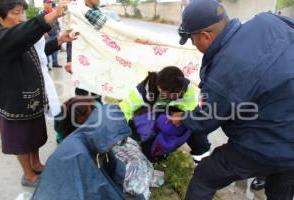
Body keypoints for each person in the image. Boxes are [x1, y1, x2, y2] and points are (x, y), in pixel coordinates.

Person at [170, 0, 294, 199]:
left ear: (205, 36)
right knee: (280, 190)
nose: (194, 45)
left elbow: (205, 120)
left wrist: (181, 118)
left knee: (205, 176)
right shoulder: (267, 20)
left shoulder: (225, 70)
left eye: (192, 40)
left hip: (266, 143)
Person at [0, 0, 75, 187]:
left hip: (32, 96)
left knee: (34, 135)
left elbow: (38, 52)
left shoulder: (15, 32)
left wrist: (59, 40)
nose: (21, 18)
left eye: (23, 13)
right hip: (13, 101)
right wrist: (52, 15)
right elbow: (21, 35)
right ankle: (28, 175)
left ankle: (36, 164)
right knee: (20, 140)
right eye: (16, 13)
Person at [119, 66, 211, 163]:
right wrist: (125, 134)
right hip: (150, 119)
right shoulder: (143, 91)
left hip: (175, 116)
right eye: (167, 95)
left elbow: (191, 108)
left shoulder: (186, 87)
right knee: (148, 143)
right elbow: (123, 110)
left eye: (176, 95)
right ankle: (151, 153)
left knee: (195, 130)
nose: (172, 98)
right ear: (158, 86)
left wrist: (182, 117)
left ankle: (202, 159)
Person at [42, 0, 62, 68]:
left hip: (55, 33)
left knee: (55, 49)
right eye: (47, 3)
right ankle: (47, 65)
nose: (49, 4)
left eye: (50, 3)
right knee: (46, 49)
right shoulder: (42, 13)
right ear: (44, 4)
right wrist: (44, 32)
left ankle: (55, 63)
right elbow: (41, 24)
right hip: (48, 35)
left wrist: (58, 28)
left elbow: (56, 21)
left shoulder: (53, 12)